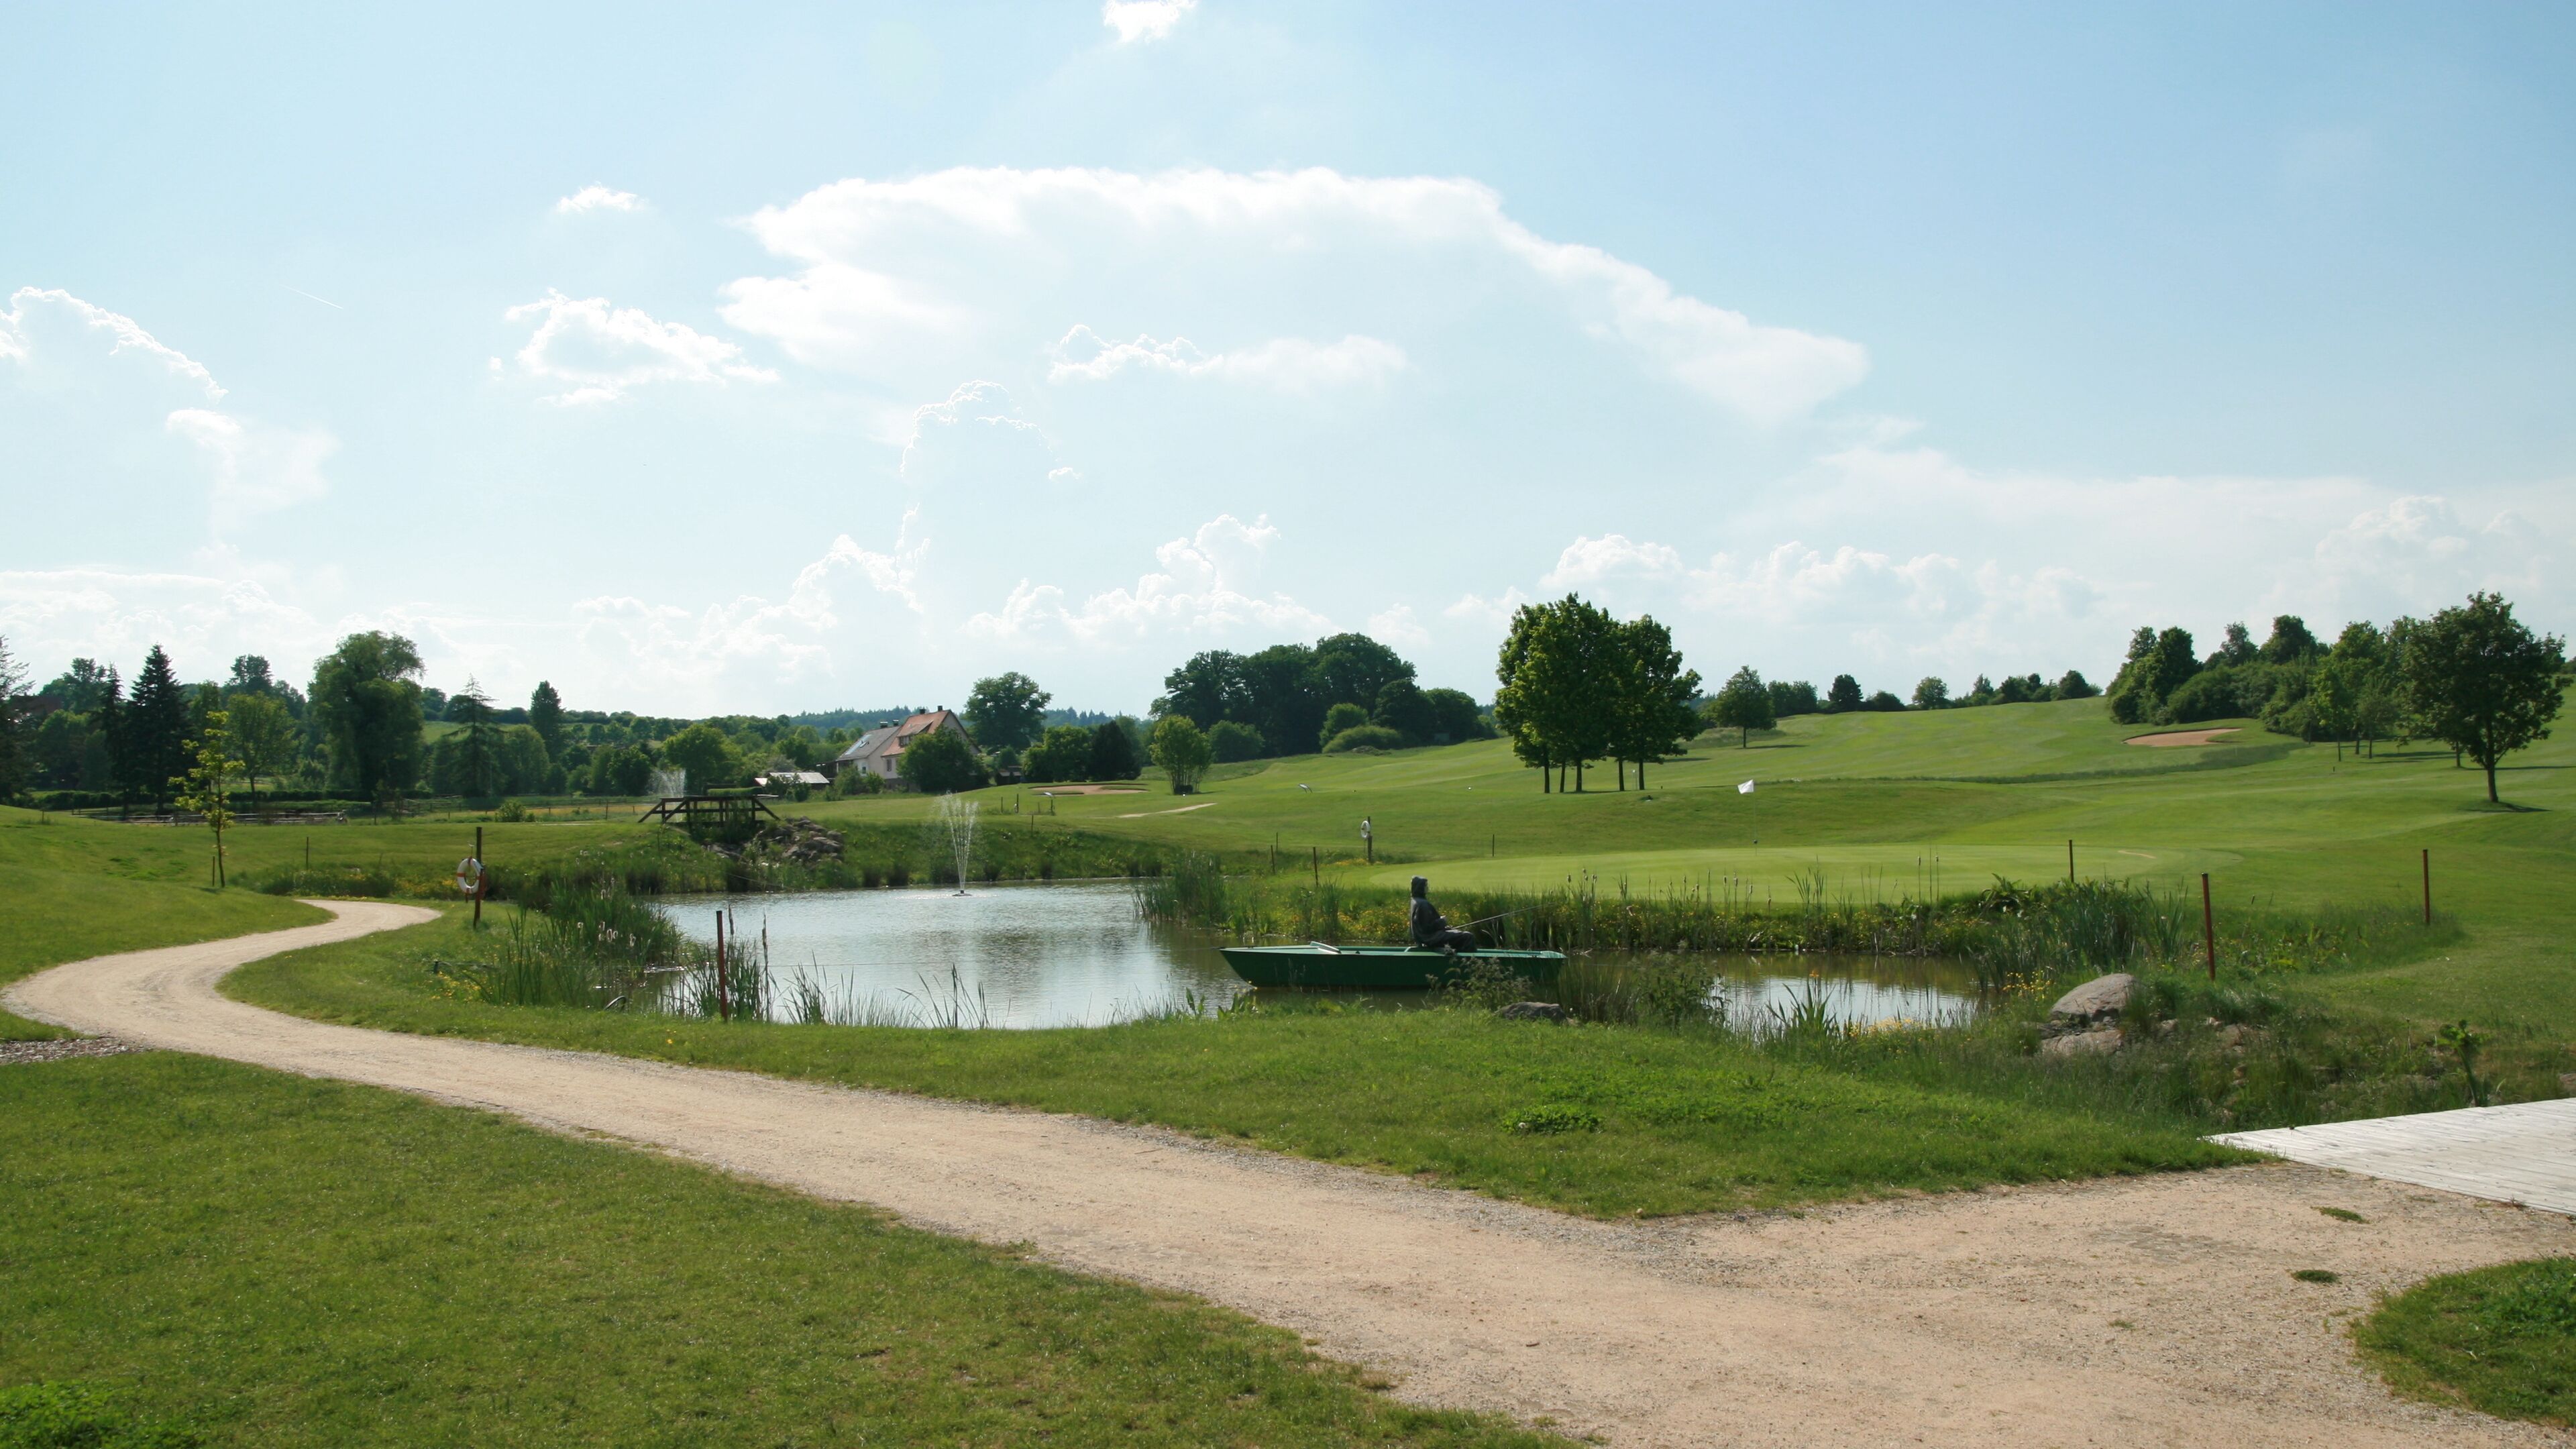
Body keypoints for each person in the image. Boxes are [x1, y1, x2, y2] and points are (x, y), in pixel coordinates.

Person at [1408, 875, 1474, 953]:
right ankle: (1469, 961)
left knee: (1458, 934)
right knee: (1468, 937)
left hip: (1425, 937)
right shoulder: (1423, 904)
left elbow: (1425, 925)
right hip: (1430, 938)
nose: (1428, 887)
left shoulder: (1415, 901)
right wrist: (1442, 921)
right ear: (1420, 887)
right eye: (1426, 886)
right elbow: (1428, 928)